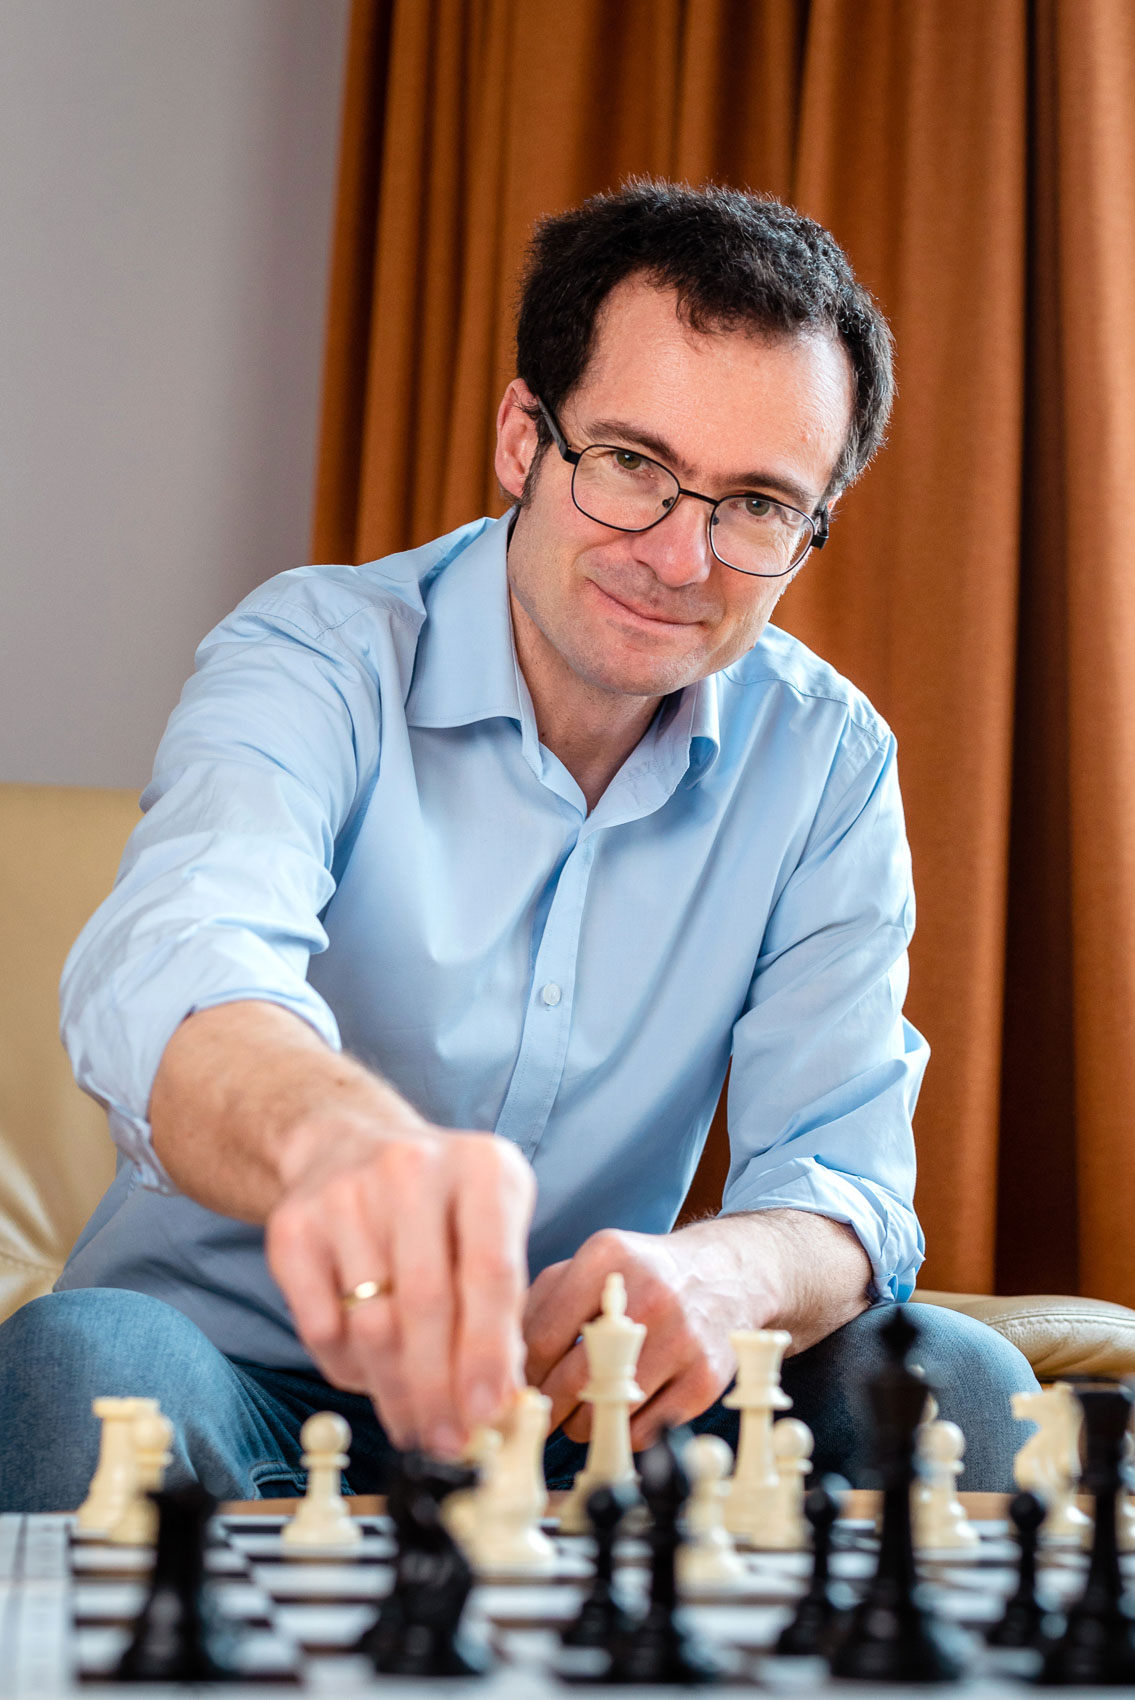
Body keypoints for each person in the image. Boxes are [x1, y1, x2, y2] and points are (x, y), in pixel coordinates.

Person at [0, 180, 1036, 1510]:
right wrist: (343, 1150)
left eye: (756, 503)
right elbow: (174, 968)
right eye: (632, 464)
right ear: (521, 440)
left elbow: (847, 1183)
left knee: (950, 1377)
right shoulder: (313, 654)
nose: (681, 556)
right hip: (237, 1381)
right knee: (72, 1365)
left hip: (594, 1412)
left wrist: (722, 1277)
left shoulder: (829, 761)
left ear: (810, 524)